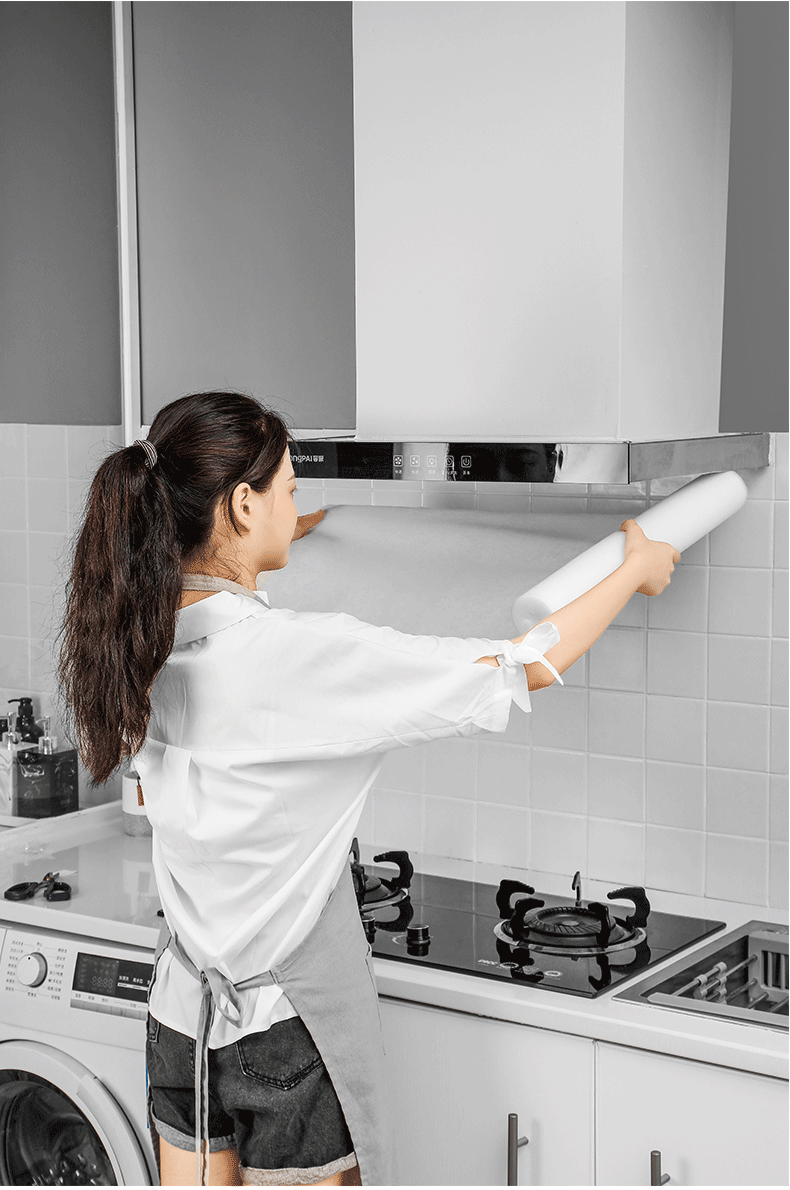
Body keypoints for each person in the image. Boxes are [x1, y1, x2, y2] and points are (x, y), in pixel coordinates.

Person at [58, 391, 680, 1188]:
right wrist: (632, 570)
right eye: (288, 491)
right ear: (241, 505)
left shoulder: (137, 641)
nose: (297, 506)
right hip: (282, 1034)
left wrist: (287, 541)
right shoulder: (298, 659)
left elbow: (220, 593)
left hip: (183, 1016)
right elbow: (524, 666)